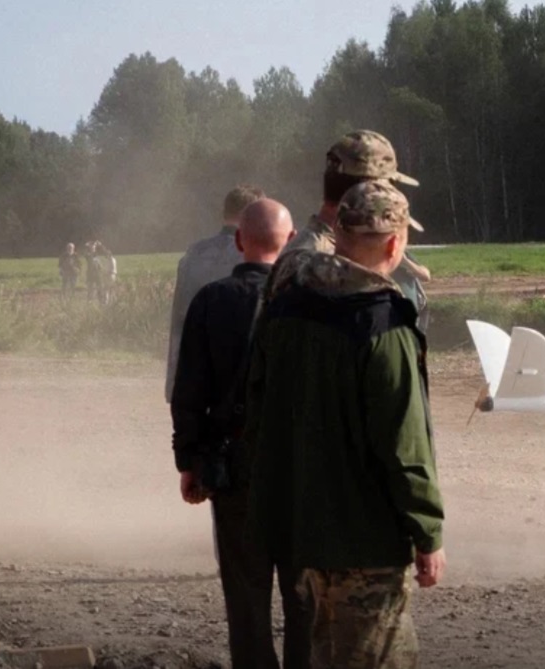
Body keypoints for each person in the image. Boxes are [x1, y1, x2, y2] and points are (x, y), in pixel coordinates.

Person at [246, 180, 444, 669]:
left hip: (306, 532)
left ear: (337, 235)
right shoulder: (385, 326)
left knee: (327, 652)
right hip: (368, 541)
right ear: (395, 245)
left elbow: (259, 404)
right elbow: (404, 447)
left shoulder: (287, 308)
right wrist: (427, 532)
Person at [171, 198, 298, 669]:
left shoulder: (211, 301)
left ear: (239, 240)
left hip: (233, 464)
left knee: (245, 596)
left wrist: (189, 462)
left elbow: (189, 393)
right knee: (303, 593)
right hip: (299, 466)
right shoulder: (310, 303)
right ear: (291, 241)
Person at [285, 130, 432, 327]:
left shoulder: (305, 252)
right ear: (368, 190)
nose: (392, 195)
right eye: (388, 186)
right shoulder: (324, 264)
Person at [167, 185, 264, 403]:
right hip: (237, 381)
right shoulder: (252, 254)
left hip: (194, 373)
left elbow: (179, 318)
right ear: (251, 215)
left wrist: (175, 382)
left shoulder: (194, 253)